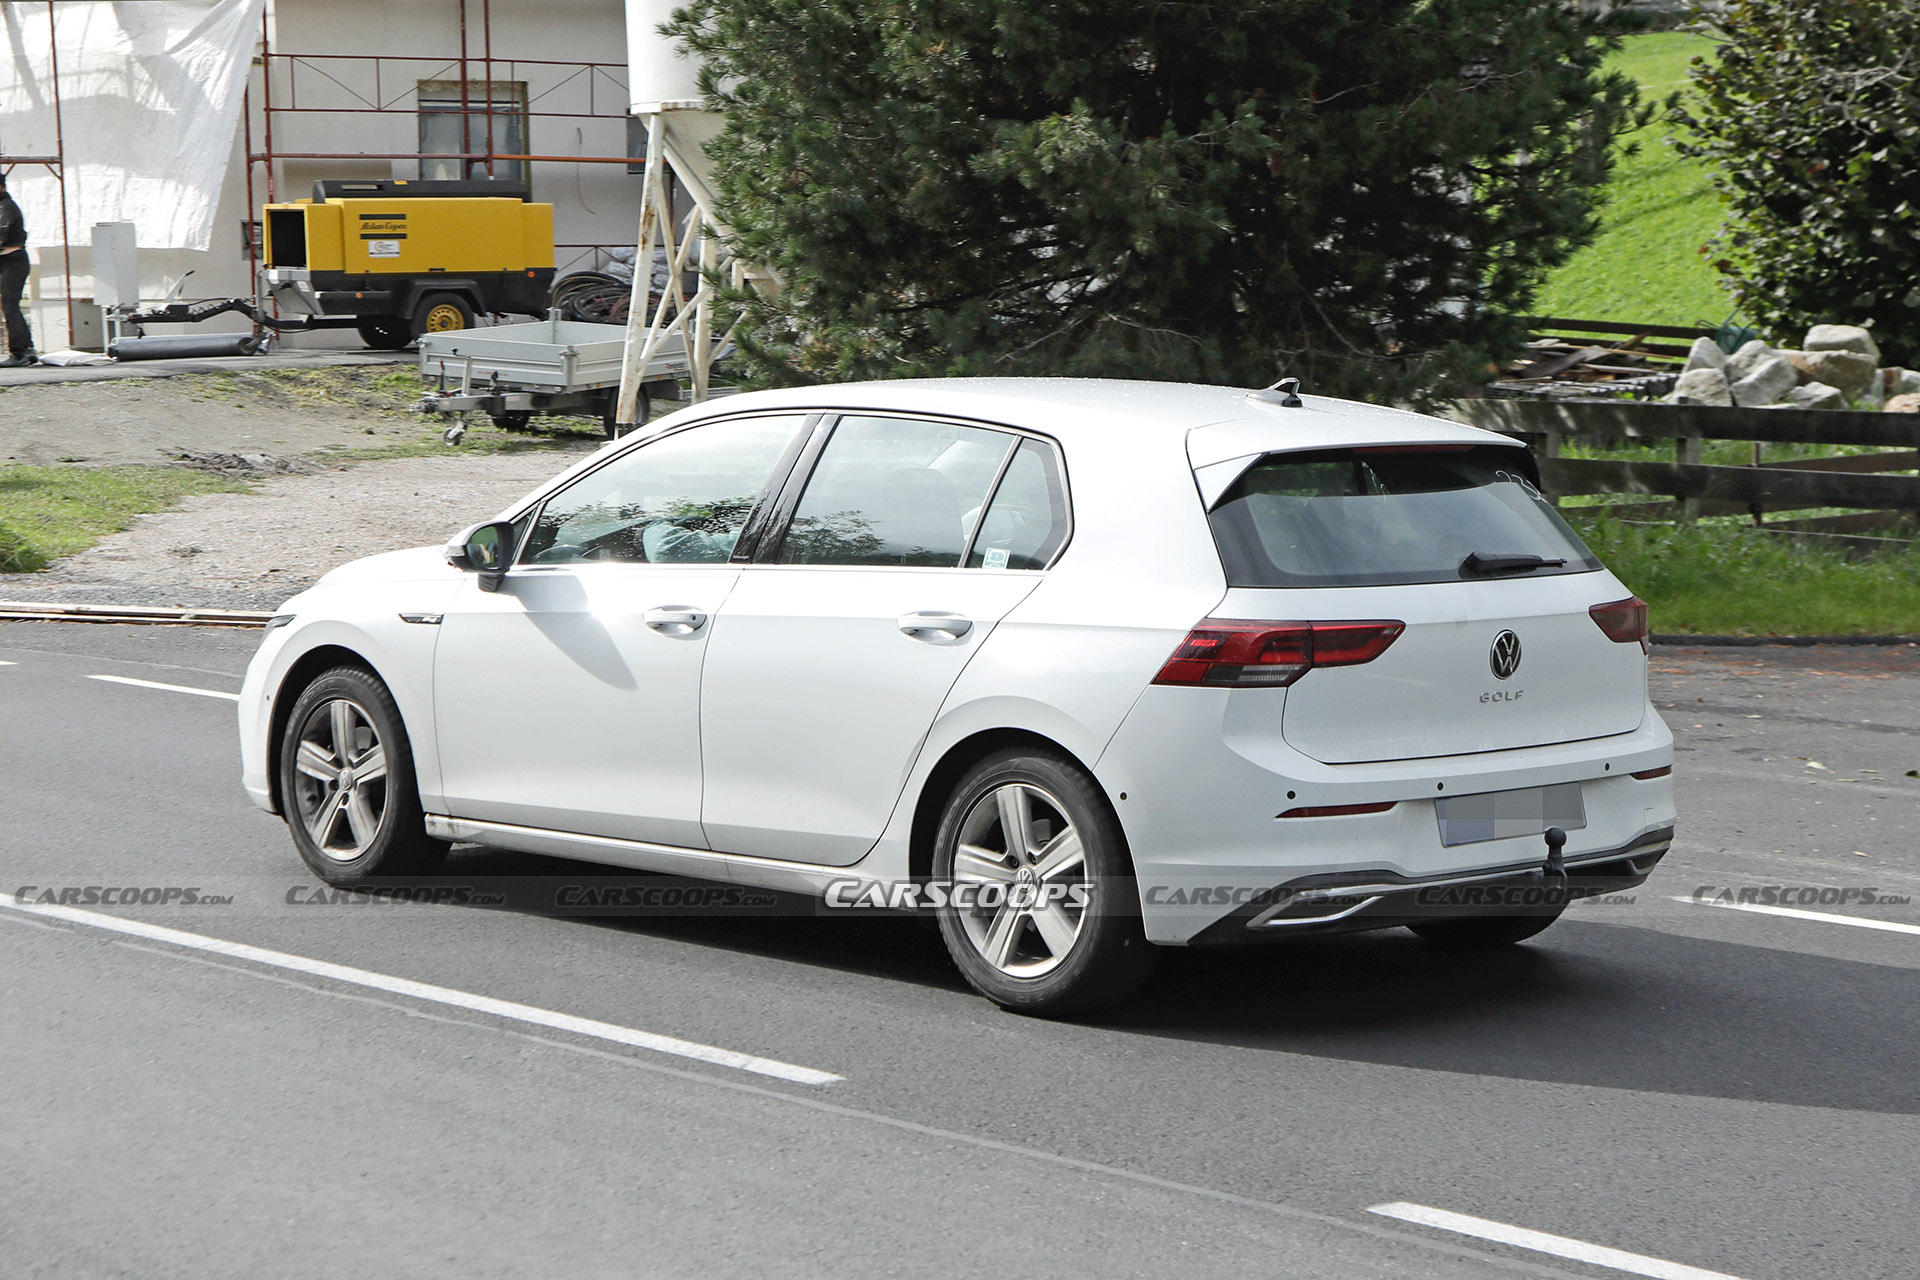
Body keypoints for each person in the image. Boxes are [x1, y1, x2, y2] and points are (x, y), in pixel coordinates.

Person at [0, 172, 34, 366]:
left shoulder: (7, 207)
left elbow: (2, 234)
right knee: (10, 306)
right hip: (6, 260)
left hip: (12, 261)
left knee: (10, 305)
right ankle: (26, 349)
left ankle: (20, 352)